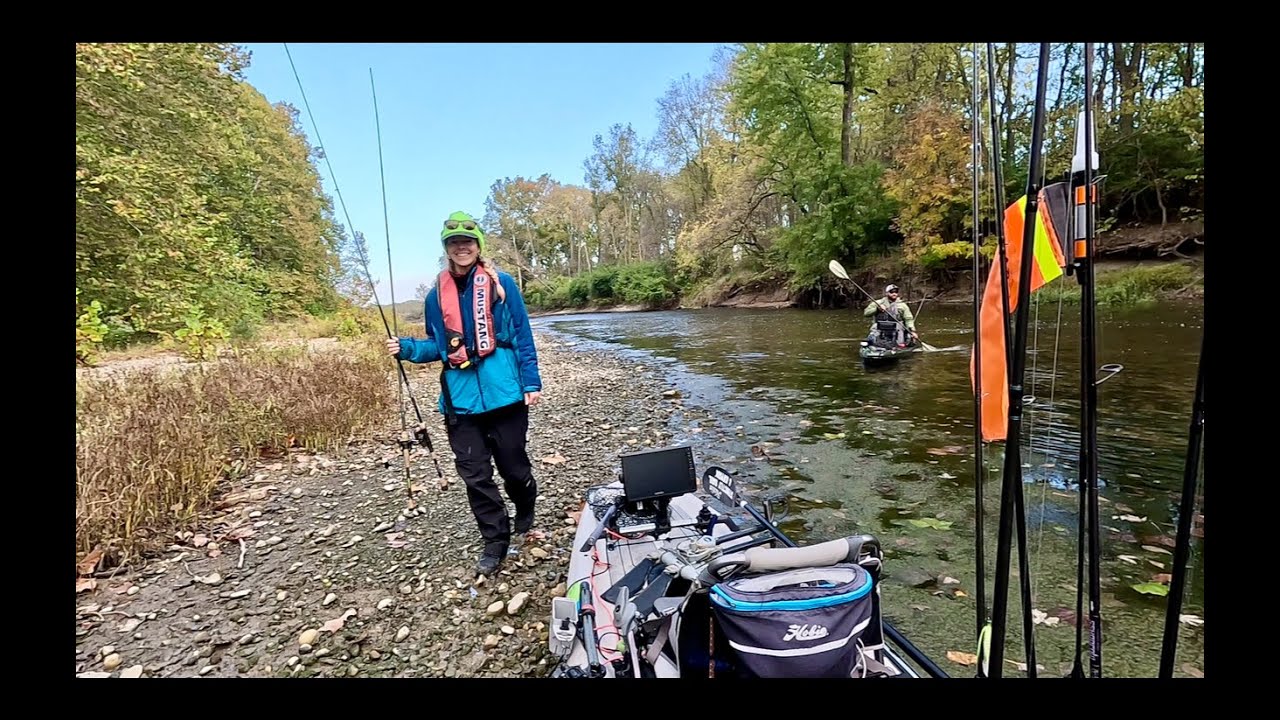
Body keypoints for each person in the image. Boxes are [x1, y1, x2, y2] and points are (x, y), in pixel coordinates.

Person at [385, 211, 543, 577]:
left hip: (506, 394)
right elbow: (436, 347)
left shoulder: (502, 283)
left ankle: (525, 503)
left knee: (514, 469)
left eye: (467, 241)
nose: (461, 247)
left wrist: (531, 383)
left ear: (478, 246)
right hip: (460, 402)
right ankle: (495, 540)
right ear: (446, 249)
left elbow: (522, 334)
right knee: (475, 475)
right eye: (454, 242)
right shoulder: (432, 297)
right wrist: (406, 349)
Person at [862, 283, 918, 348]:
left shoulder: (902, 306)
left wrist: (912, 331)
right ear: (887, 293)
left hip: (897, 330)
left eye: (896, 292)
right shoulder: (877, 303)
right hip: (880, 328)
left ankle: (900, 345)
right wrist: (877, 309)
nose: (894, 294)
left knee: (901, 334)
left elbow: (909, 319)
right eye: (891, 292)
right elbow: (866, 313)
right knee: (874, 330)